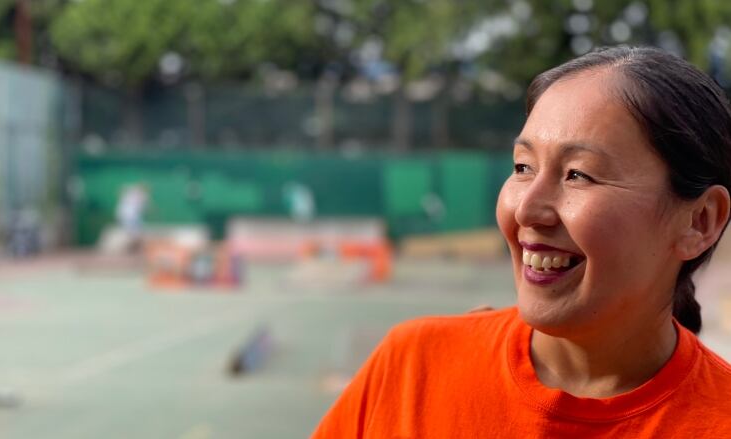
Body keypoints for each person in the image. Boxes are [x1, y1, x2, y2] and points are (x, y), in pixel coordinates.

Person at [311, 46, 731, 437]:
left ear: (700, 221)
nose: (527, 210)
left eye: (577, 174)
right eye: (523, 166)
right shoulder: (412, 369)